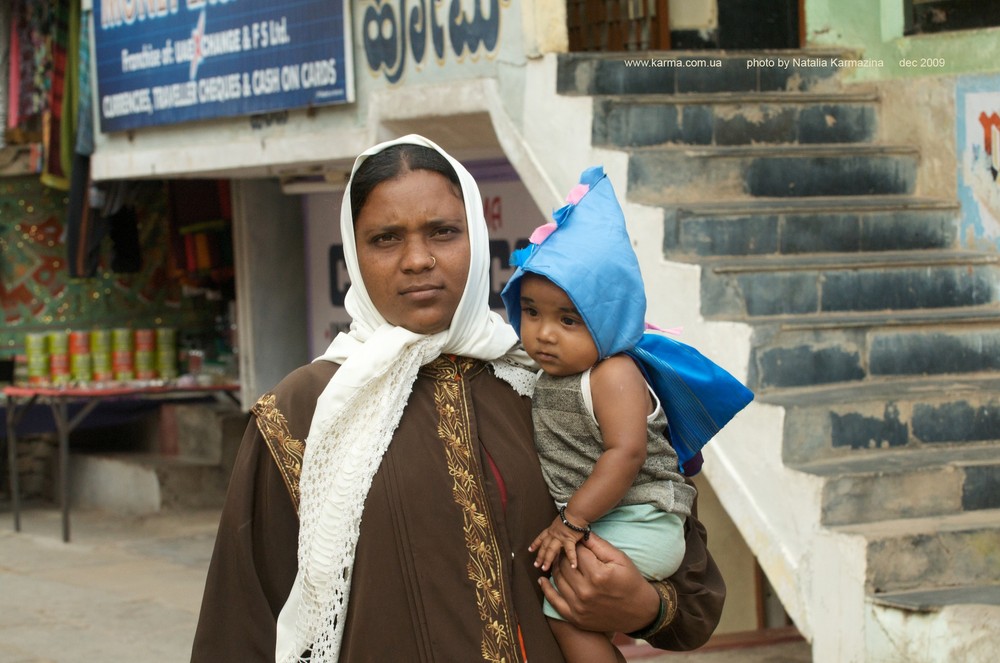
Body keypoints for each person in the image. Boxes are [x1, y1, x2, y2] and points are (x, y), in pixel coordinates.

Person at [190, 135, 726, 663]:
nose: (418, 259)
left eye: (443, 232)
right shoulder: (303, 413)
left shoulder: (543, 379)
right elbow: (239, 625)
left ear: (477, 236)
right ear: (354, 252)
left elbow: (694, 599)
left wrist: (644, 605)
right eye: (385, 239)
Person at [500, 166, 754, 663]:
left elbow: (627, 452)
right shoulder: (547, 373)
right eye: (531, 312)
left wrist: (572, 522)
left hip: (641, 521)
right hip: (615, 523)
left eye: (568, 320)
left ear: (608, 320)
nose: (544, 334)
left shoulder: (613, 372)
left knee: (565, 612)